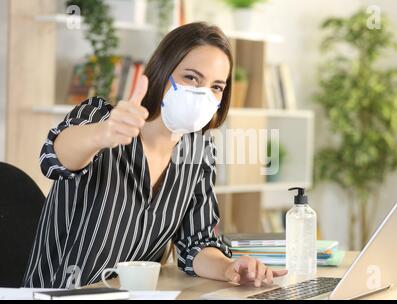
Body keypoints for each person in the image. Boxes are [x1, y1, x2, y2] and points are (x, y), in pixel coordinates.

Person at [23, 22, 287, 288]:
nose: (202, 94)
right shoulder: (102, 118)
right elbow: (53, 159)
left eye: (216, 87)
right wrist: (101, 135)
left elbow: (196, 244)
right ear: (162, 72)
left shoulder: (198, 150)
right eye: (191, 78)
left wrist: (229, 267)